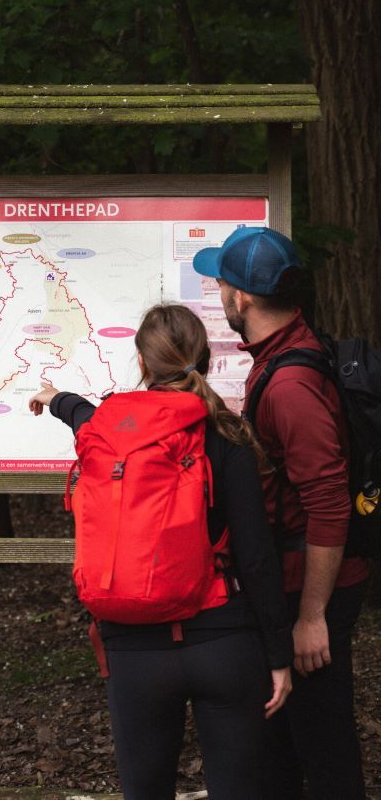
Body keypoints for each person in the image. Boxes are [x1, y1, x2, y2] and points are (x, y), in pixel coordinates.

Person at [29, 304, 293, 800]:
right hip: (223, 641)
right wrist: (279, 655)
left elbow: (81, 414)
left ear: (143, 363)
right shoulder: (228, 436)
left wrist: (56, 398)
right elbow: (256, 555)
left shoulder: (105, 428)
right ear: (205, 359)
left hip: (134, 652)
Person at [192, 226, 370, 800]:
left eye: (221, 279)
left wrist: (312, 615)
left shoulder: (290, 383)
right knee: (293, 742)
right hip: (296, 584)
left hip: (310, 589)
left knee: (324, 747)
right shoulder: (285, 353)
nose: (218, 289)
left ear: (240, 297)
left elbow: (328, 501)